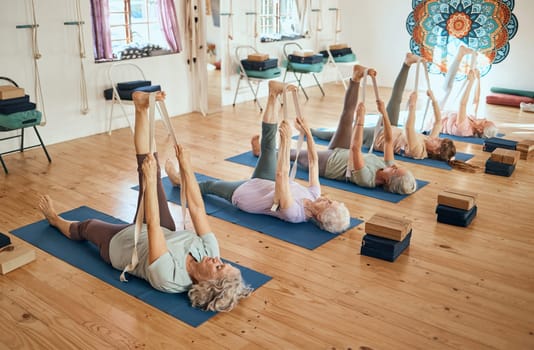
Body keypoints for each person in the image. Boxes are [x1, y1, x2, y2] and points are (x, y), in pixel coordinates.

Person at [38, 91, 252, 312]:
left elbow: (152, 229)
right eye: (223, 263)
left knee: (87, 226)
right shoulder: (211, 251)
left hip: (122, 245)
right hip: (160, 229)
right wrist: (186, 167)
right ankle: (141, 108)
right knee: (151, 167)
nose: (217, 259)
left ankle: (54, 219)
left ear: (206, 284)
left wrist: (150, 181)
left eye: (218, 267)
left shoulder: (169, 278)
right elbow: (197, 209)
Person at [166, 81, 351, 234]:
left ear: (319, 216)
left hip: (247, 195)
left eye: (328, 204)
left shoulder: (293, 213)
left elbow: (281, 175)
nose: (326, 199)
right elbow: (313, 162)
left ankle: (177, 182)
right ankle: (273, 94)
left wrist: (286, 142)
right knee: (268, 146)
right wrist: (307, 133)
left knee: (208, 186)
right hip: (266, 181)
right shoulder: (314, 195)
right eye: (330, 200)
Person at [267, 65, 417, 195]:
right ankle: (356, 77)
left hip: (328, 164)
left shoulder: (368, 179)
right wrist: (383, 112)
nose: (395, 165)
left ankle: (262, 153)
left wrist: (360, 120)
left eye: (396, 170)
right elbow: (389, 141)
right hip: (341, 151)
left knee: (294, 154)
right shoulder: (387, 166)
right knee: (346, 116)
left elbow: (356, 148)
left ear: (389, 180)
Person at [311, 54, 478, 171]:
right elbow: (438, 123)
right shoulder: (429, 140)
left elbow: (409, 128)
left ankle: (316, 134)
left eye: (438, 142)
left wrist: (412, 106)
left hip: (378, 136)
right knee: (396, 99)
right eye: (439, 138)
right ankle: (407, 63)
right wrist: (433, 100)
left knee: (346, 130)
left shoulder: (418, 151)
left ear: (435, 151)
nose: (436, 138)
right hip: (389, 127)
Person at [438, 46, 498, 138]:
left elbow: (462, 104)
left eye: (485, 122)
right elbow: (476, 100)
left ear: (480, 129)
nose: (485, 119)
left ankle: (460, 54)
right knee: (447, 88)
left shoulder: (465, 129)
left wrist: (471, 82)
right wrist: (478, 79)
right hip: (442, 113)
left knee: (447, 88)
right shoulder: (474, 122)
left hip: (432, 119)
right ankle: (460, 54)